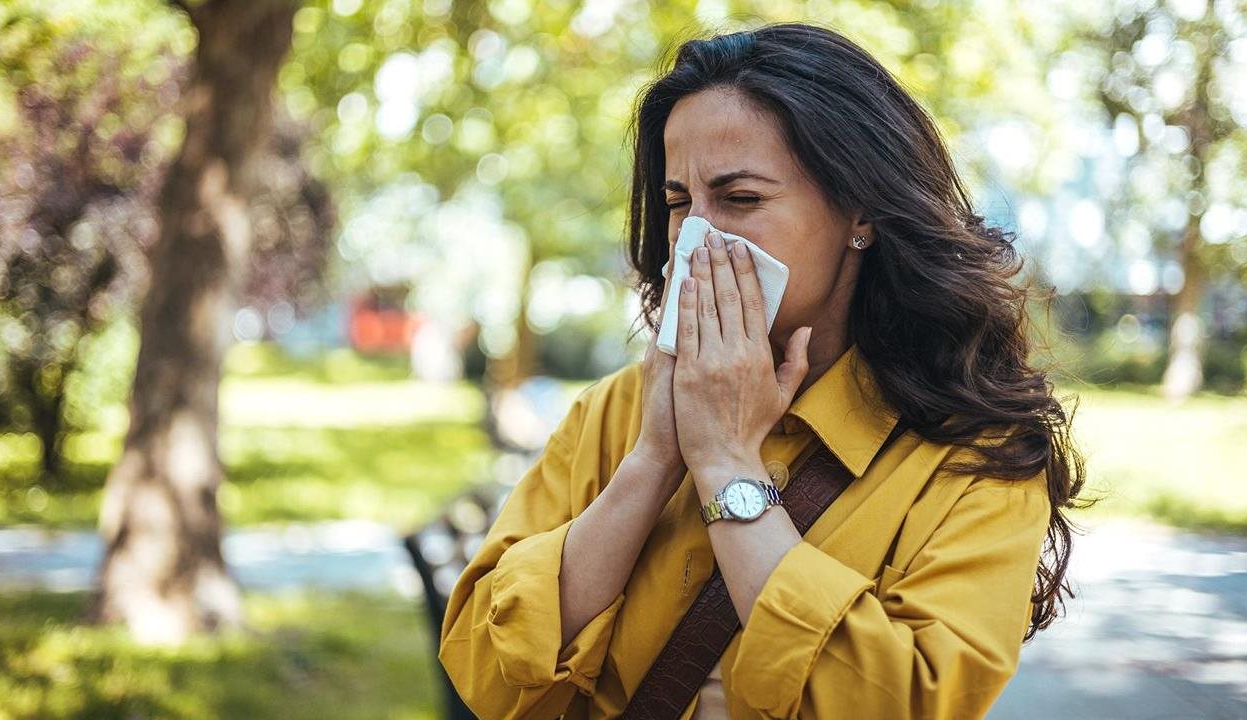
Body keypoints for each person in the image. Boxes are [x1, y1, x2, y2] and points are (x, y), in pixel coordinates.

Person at [438, 21, 1084, 720]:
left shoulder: (975, 459)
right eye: (679, 201)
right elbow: (483, 670)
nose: (694, 236)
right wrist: (654, 460)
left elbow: (900, 703)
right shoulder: (616, 410)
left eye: (740, 199)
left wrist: (725, 465)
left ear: (860, 212)